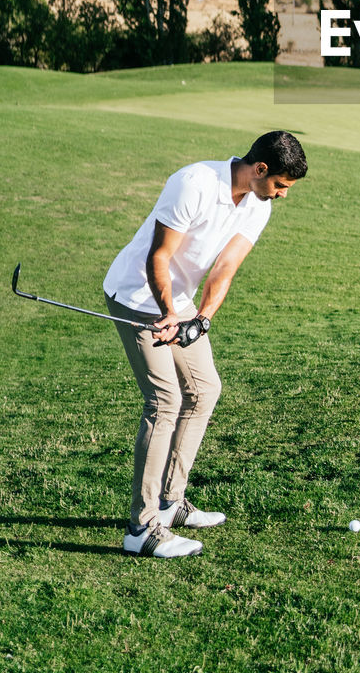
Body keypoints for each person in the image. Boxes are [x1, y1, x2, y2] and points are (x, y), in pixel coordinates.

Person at [103, 131, 308, 558]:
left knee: (205, 389)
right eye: (281, 186)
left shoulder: (257, 204)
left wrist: (201, 319)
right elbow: (158, 256)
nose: (283, 195)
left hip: (178, 304)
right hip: (138, 295)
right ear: (260, 170)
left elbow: (225, 267)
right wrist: (169, 313)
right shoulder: (194, 182)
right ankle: (141, 529)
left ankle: (169, 502)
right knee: (164, 400)